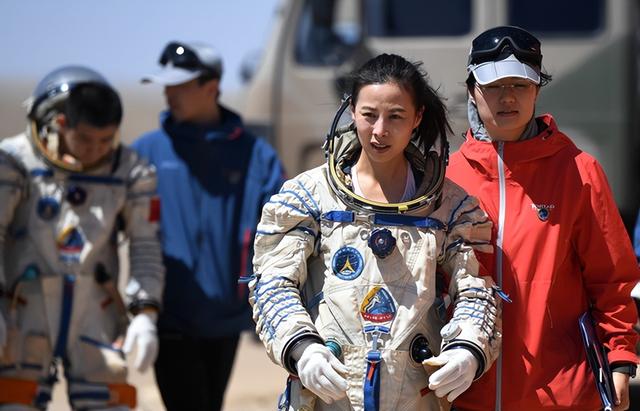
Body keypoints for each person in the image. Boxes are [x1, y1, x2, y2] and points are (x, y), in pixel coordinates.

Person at [249, 53, 503, 410]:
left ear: (417, 118)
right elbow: (273, 282)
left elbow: (476, 289)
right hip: (328, 394)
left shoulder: (451, 207)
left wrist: (467, 348)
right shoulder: (307, 198)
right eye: (369, 115)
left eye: (395, 116)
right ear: (352, 111)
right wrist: (303, 349)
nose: (380, 130)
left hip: (416, 396)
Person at [446, 26, 640, 411]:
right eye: (494, 86)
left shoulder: (579, 171)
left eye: (520, 85)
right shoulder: (449, 178)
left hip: (562, 395)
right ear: (472, 90)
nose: (508, 97)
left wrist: (619, 357)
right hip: (466, 395)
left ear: (537, 90)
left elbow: (611, 278)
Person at [131, 41, 285, 411]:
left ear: (211, 86)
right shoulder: (145, 153)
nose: (169, 94)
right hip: (169, 314)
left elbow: (281, 238)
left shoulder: (257, 157)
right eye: (166, 85)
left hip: (226, 318)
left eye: (180, 85)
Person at [0, 66, 164, 410]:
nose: (96, 150)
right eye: (86, 140)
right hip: (24, 310)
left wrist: (145, 312)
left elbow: (145, 244)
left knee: (109, 403)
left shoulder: (130, 170)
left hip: (95, 311)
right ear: (61, 123)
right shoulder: (14, 162)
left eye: (106, 140)